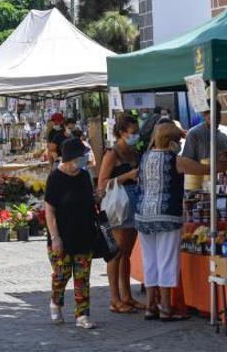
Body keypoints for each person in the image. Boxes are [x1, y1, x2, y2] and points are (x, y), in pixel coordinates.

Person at [136, 122, 227, 321]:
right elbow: (204, 169)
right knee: (166, 260)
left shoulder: (145, 157)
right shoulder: (175, 159)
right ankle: (165, 307)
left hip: (143, 214)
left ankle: (150, 306)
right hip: (167, 214)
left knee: (150, 261)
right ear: (172, 142)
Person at [44, 138, 98, 329]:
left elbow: (90, 200)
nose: (83, 161)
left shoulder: (84, 176)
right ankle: (56, 302)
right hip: (62, 235)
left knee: (82, 277)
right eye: (80, 158)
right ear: (69, 158)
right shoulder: (55, 178)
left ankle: (82, 315)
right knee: (61, 274)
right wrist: (55, 237)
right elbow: (49, 210)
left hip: (84, 233)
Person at [96, 114, 143, 314]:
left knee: (127, 254)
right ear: (122, 133)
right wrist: (127, 176)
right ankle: (115, 299)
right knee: (115, 253)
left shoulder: (133, 151)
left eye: (136, 132)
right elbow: (102, 184)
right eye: (132, 133)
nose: (136, 136)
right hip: (116, 207)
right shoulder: (112, 154)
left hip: (133, 204)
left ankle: (127, 296)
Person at [181, 102, 227, 189]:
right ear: (204, 115)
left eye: (217, 112)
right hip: (201, 183)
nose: (214, 116)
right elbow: (187, 162)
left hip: (225, 182)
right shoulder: (194, 134)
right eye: (209, 113)